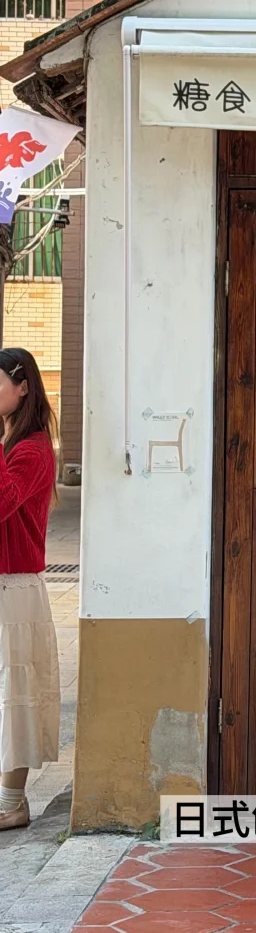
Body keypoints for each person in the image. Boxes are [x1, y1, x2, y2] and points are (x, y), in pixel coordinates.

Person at [0, 348, 59, 831]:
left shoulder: (33, 449)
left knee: (14, 693)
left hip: (14, 588)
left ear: (23, 388)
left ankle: (11, 802)